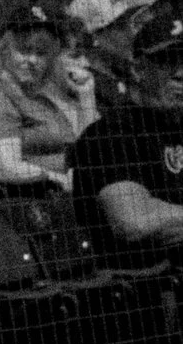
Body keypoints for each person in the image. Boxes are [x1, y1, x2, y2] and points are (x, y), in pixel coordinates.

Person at [69, 36, 183, 271]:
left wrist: (164, 212)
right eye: (168, 61)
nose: (180, 73)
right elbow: (134, 222)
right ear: (138, 69)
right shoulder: (110, 135)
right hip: (145, 284)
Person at [0, 12, 96, 188]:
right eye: (24, 50)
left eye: (41, 53)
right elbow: (6, 167)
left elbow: (89, 149)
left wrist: (86, 95)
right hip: (46, 196)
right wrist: (71, 183)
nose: (32, 60)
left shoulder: (45, 93)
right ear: (5, 49)